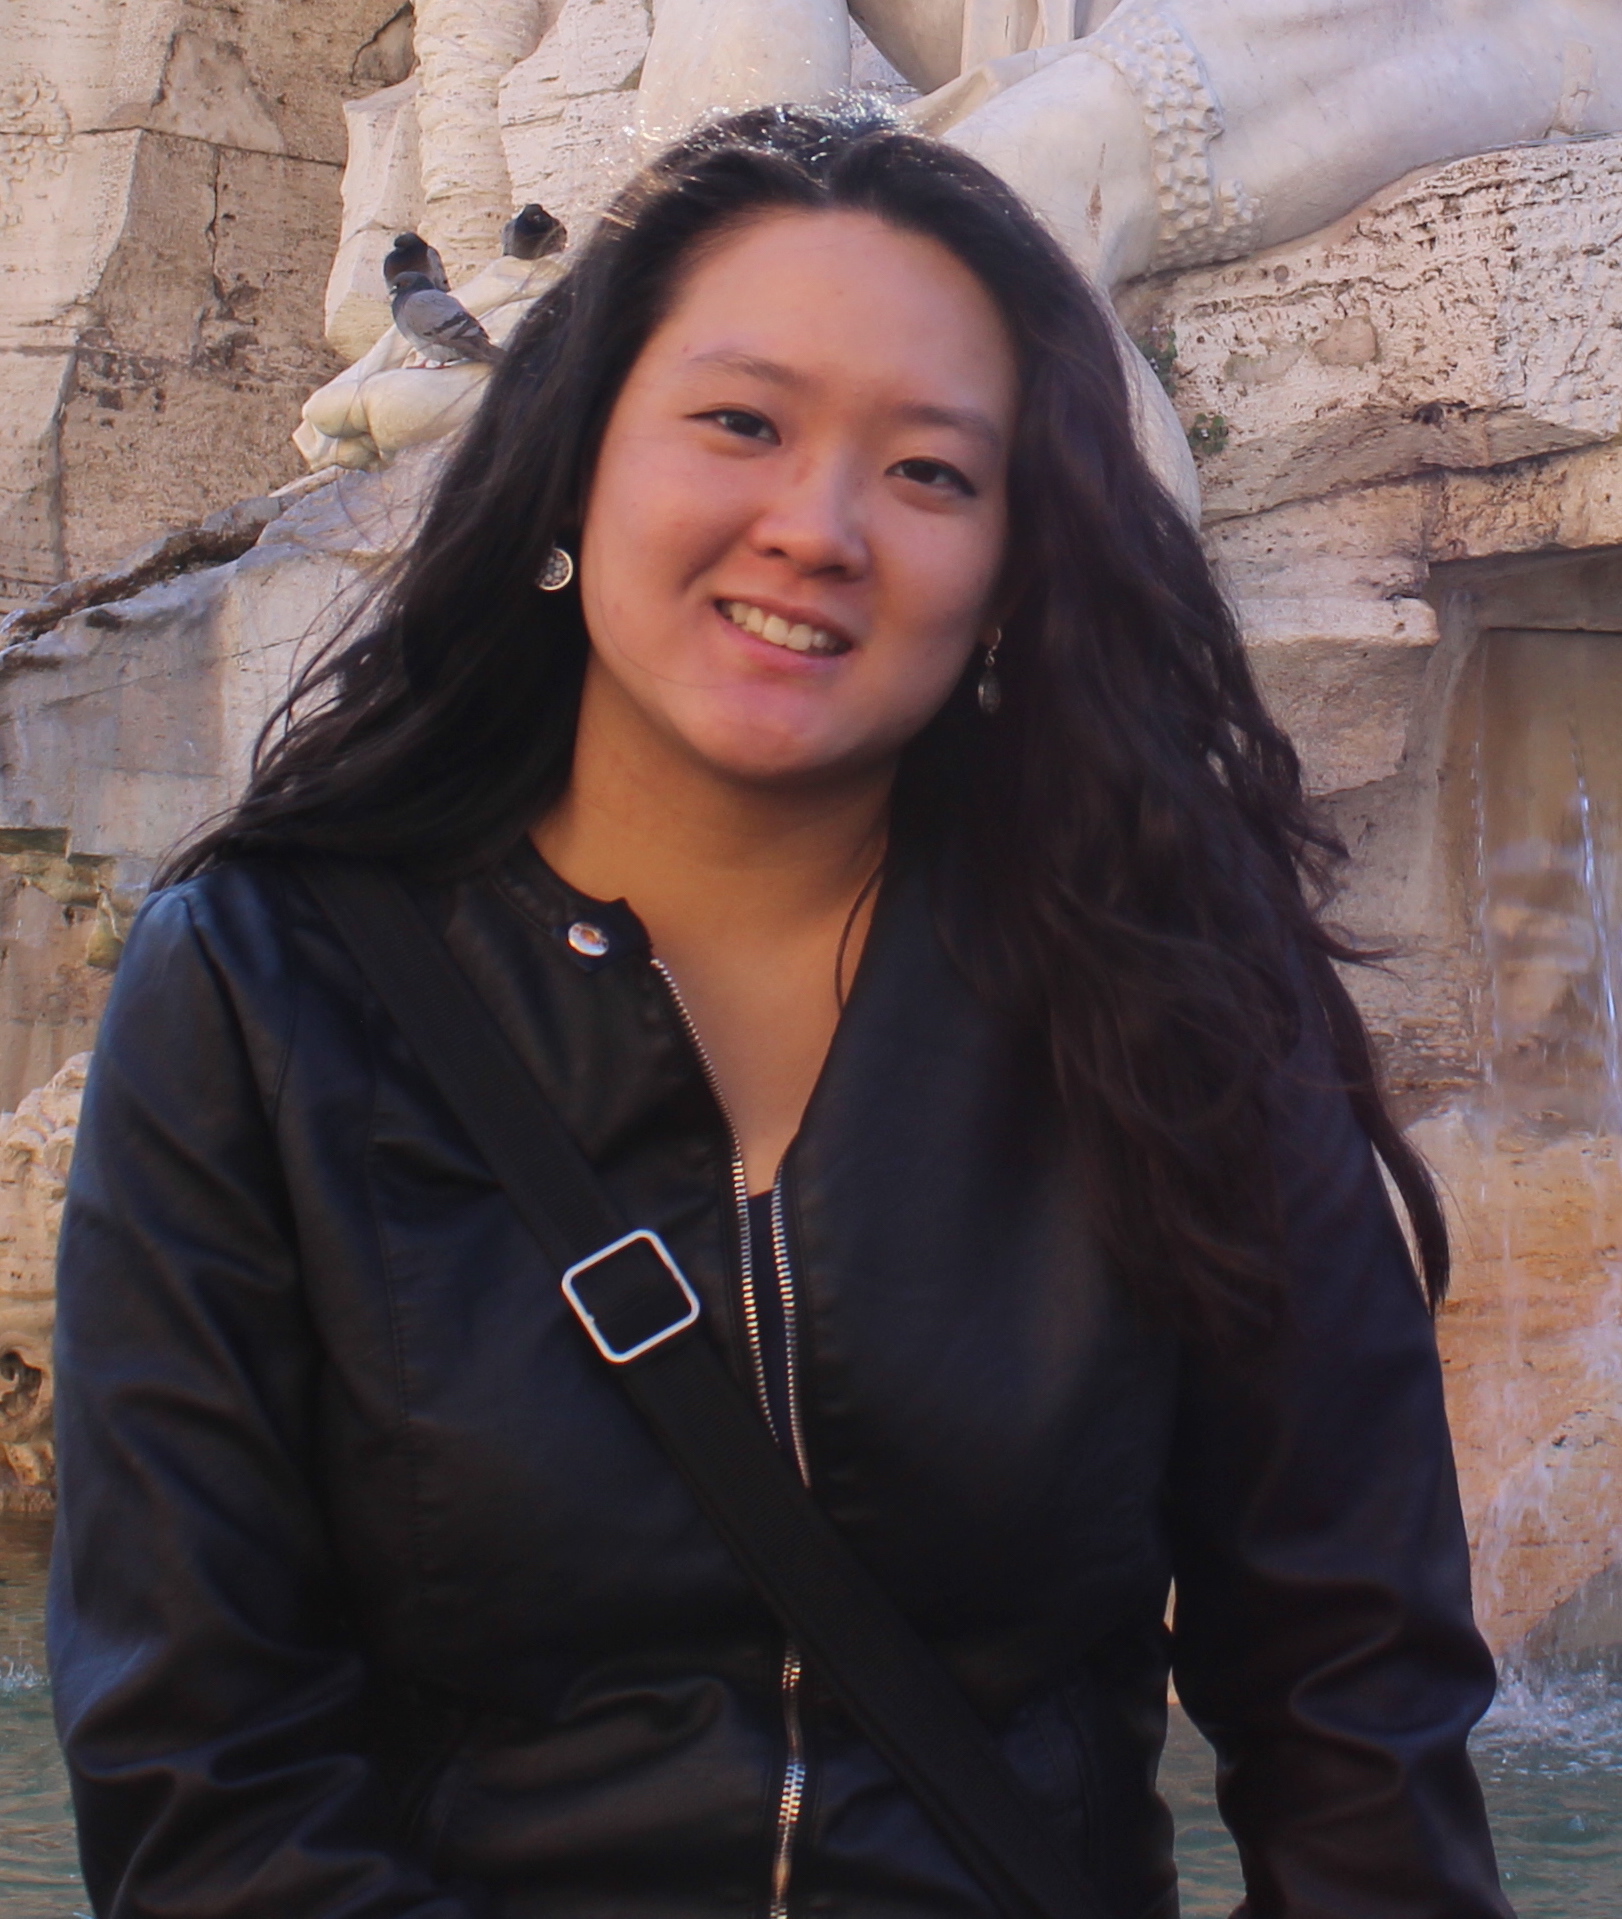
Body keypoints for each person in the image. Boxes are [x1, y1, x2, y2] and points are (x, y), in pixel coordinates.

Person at [50, 107, 1511, 1919]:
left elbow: (1349, 1710)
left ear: (1006, 568)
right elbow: (209, 1773)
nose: (815, 527)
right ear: (573, 467)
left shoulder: (1164, 992)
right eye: (739, 423)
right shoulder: (266, 986)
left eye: (929, 472)